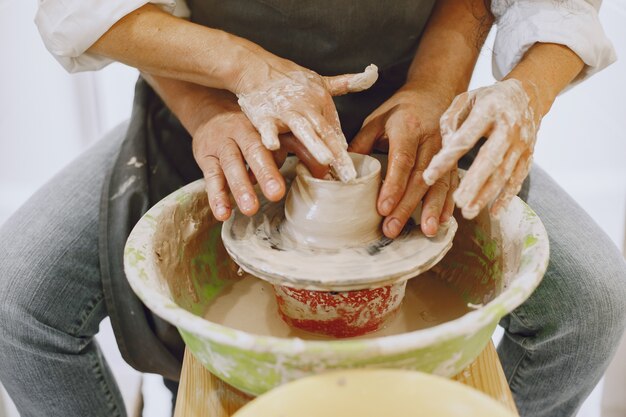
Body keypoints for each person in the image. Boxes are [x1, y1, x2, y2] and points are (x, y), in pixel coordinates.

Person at [0, 0, 624, 416]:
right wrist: (217, 99)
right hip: (217, 103)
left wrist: (439, 88)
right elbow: (93, 7)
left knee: (589, 307)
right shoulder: (215, 101)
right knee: (18, 305)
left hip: (409, 110)